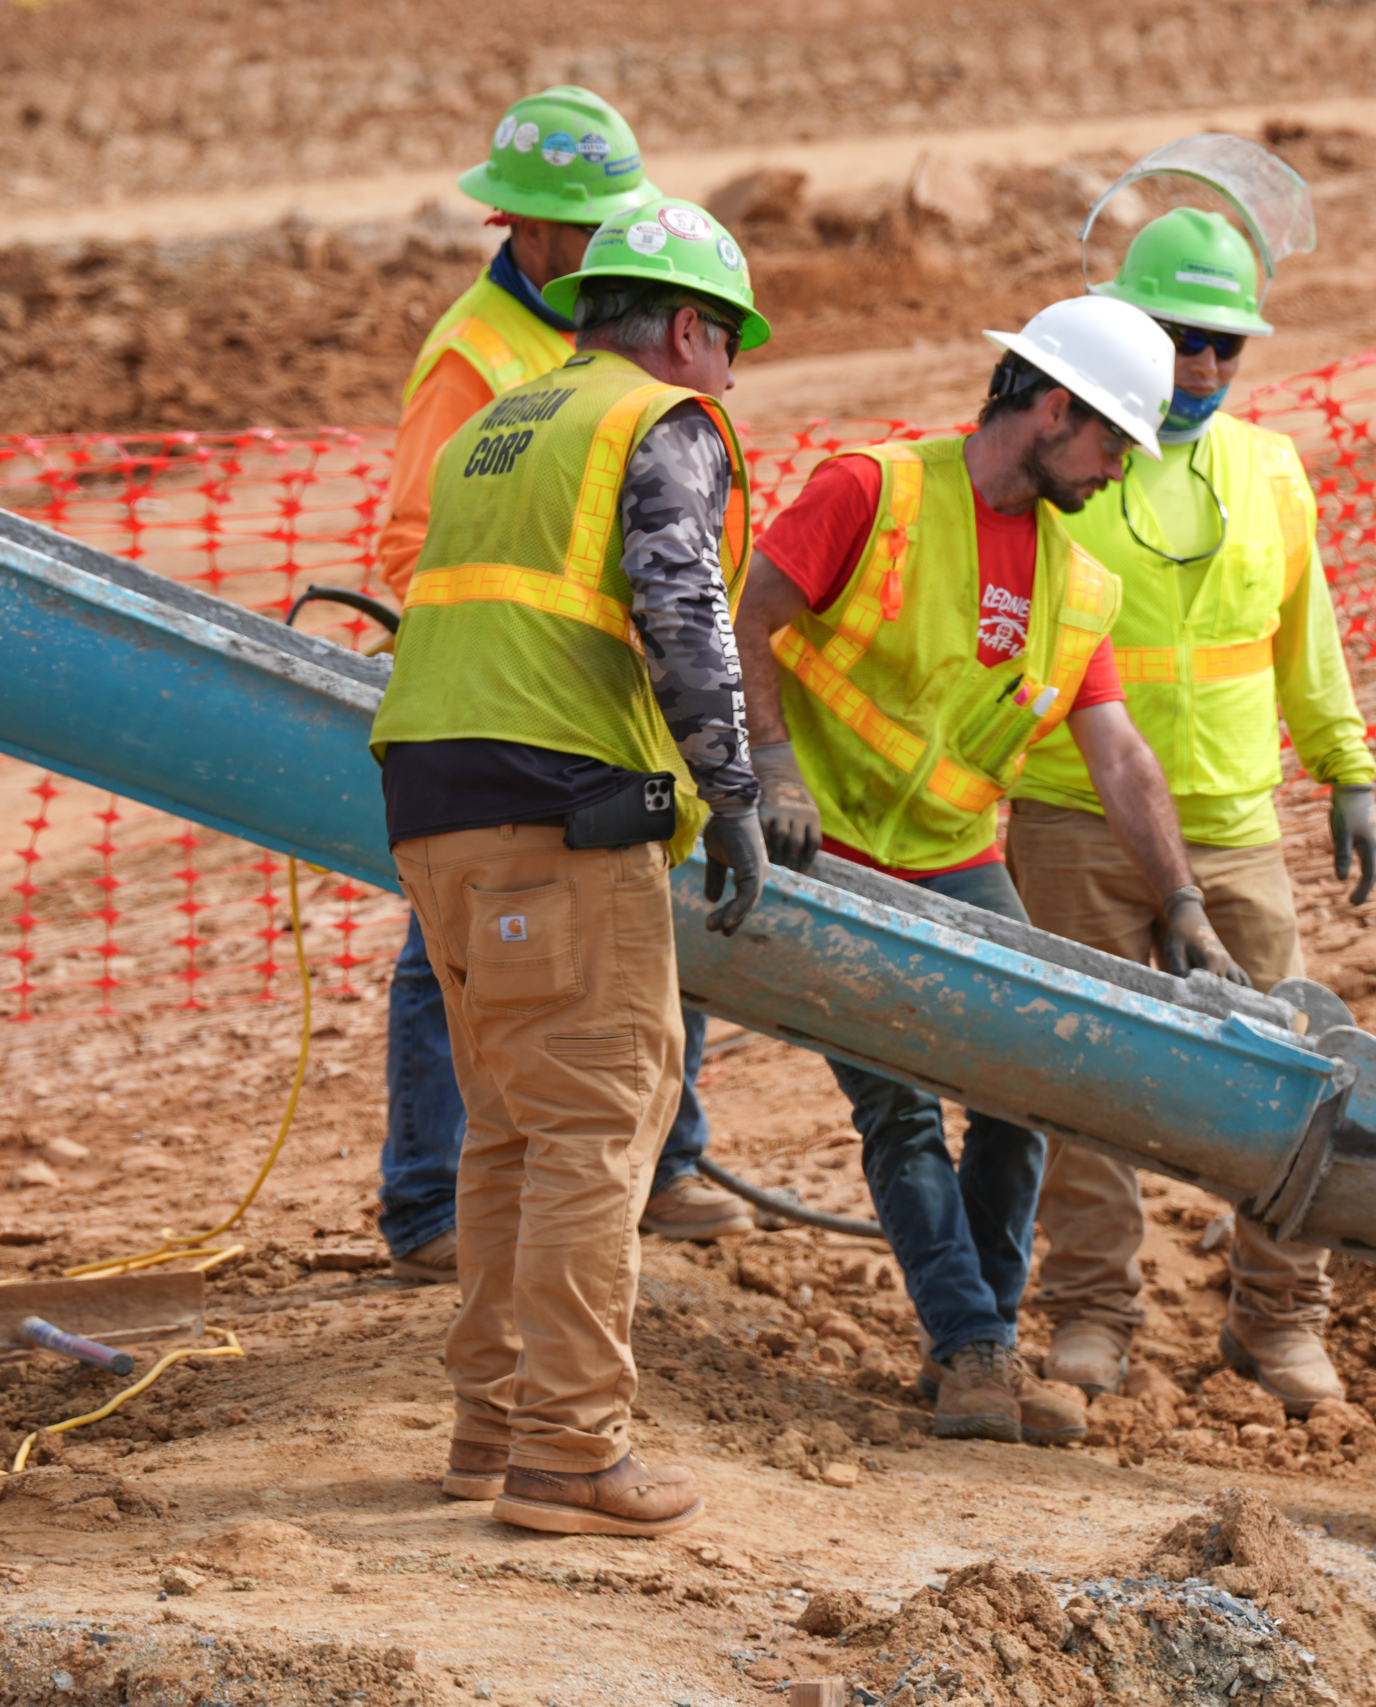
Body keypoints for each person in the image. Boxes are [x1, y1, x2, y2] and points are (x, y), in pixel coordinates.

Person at [734, 295, 1251, 1448]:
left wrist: (1182, 904)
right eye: (1114, 442)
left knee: (1026, 1092)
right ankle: (973, 1348)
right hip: (826, 850)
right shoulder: (874, 492)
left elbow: (1117, 753)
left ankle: (974, 1334)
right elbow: (749, 615)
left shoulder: (1077, 583)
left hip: (956, 861)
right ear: (1050, 408)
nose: (1119, 472)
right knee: (898, 1104)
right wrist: (771, 771)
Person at [368, 198, 773, 1537]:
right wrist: (733, 789)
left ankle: (491, 1426)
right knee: (602, 1122)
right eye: (729, 346)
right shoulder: (652, 424)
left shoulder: (510, 418)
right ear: (684, 327)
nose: (731, 379)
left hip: (435, 804)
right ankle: (571, 1448)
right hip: (563, 807)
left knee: (512, 1125)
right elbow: (683, 603)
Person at [1009, 208, 1376, 1416]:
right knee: (1083, 1082)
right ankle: (1091, 1318)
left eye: (1225, 345)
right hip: (1073, 816)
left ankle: (1278, 1324)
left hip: (1230, 824)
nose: (1204, 368)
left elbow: (1303, 638)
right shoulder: (1074, 466)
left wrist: (1348, 770)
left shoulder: (1269, 472)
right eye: (1180, 339)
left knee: (1288, 1082)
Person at [375, 88, 750, 1285]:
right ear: (525, 232)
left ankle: (660, 1165)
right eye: (586, 234)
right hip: (529, 731)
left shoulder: (555, 376)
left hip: (507, 744)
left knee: (549, 1080)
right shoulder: (482, 359)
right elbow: (422, 546)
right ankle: (560, 1433)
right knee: (573, 1108)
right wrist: (731, 780)